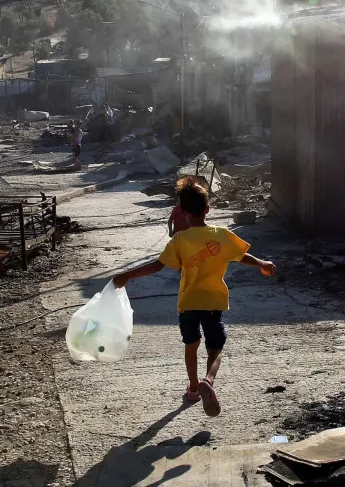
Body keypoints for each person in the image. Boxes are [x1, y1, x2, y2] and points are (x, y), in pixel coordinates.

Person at [112, 177, 275, 417]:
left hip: (188, 302)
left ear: (182, 212)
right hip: (213, 302)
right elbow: (241, 256)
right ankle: (208, 380)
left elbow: (157, 266)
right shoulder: (222, 235)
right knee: (216, 346)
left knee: (191, 344)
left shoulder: (180, 240)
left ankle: (192, 388)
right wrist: (262, 263)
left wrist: (127, 275)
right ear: (208, 209)